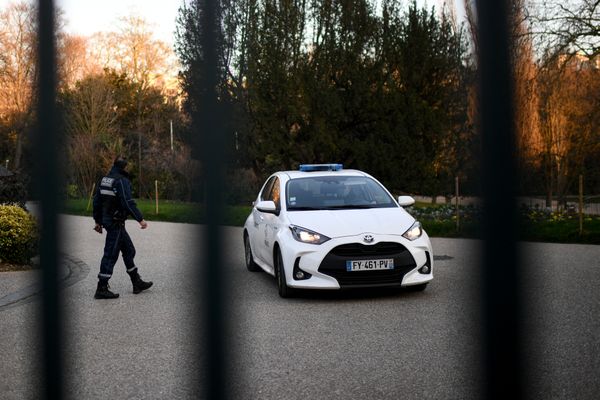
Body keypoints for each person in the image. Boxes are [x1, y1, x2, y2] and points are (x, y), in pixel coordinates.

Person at [92, 156, 153, 299]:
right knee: (110, 253)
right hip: (115, 222)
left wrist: (98, 221)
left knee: (128, 250)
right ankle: (101, 287)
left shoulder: (104, 179)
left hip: (108, 220)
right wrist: (140, 219)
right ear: (124, 167)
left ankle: (136, 281)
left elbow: (97, 201)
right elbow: (127, 202)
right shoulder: (121, 181)